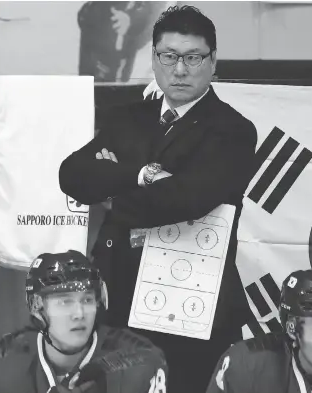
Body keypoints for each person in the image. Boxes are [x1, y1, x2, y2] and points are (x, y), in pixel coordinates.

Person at [59, 5, 258, 393]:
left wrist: (114, 189)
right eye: (169, 56)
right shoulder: (129, 117)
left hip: (190, 306)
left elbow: (186, 199)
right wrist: (143, 174)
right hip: (118, 299)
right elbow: (73, 176)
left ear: (213, 61)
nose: (180, 69)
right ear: (154, 58)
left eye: (193, 57)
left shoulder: (233, 130)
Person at [0, 250, 167, 393]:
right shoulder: (3, 359)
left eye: (87, 300)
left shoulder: (137, 364)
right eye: (65, 302)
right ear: (38, 308)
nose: (79, 314)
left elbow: (149, 359)